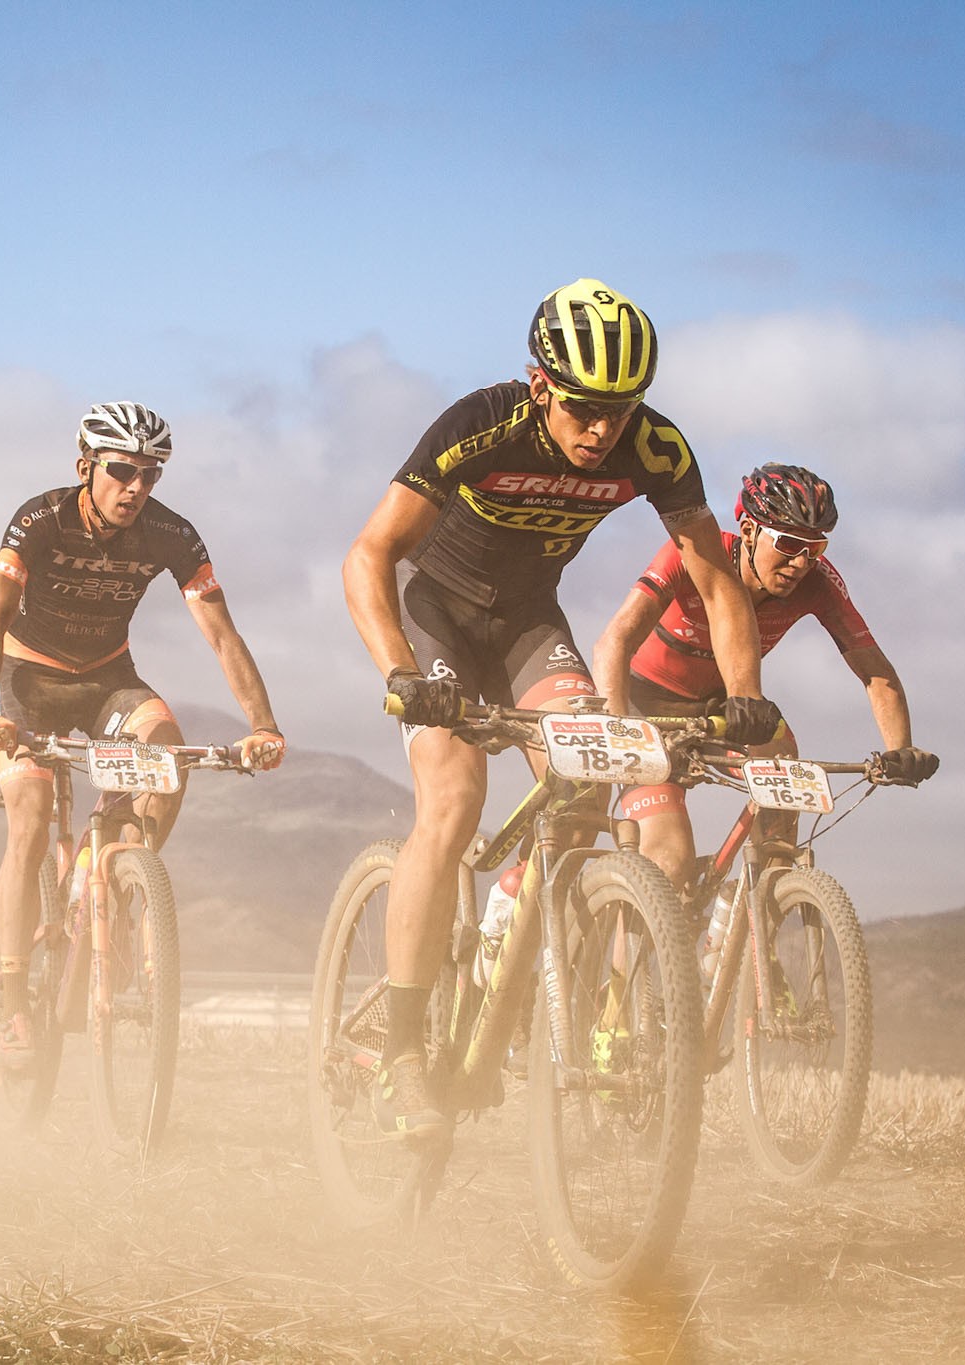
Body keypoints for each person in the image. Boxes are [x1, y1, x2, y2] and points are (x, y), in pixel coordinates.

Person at [342, 279, 781, 1141]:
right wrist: (400, 671)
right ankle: (400, 1056)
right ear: (541, 385)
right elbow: (369, 554)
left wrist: (747, 696)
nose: (601, 428)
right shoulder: (482, 423)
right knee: (455, 795)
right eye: (584, 407)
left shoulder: (653, 449)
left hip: (528, 624)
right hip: (437, 618)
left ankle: (503, 975)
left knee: (585, 790)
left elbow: (715, 576)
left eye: (620, 410)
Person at [0, 401, 286, 1068]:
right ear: (86, 466)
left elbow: (222, 634)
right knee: (27, 821)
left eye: (152, 474)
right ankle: (16, 995)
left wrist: (263, 723)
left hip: (106, 677)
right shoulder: (39, 519)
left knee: (166, 754)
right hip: (28, 684)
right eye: (122, 471)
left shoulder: (173, 534)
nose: (138, 488)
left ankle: (112, 884)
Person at [593, 462, 939, 890]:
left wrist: (900, 750)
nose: (800, 562)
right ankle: (627, 956)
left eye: (815, 549)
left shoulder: (818, 583)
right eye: (790, 543)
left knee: (784, 809)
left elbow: (875, 672)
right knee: (669, 858)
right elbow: (614, 643)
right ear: (749, 530)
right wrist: (613, 727)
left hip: (728, 709)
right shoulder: (698, 554)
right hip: (644, 704)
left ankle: (756, 922)